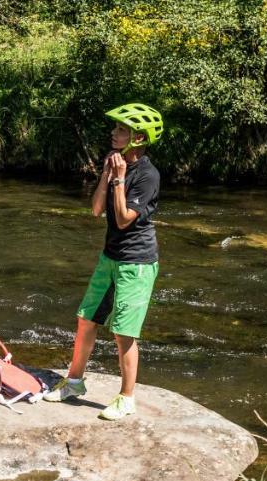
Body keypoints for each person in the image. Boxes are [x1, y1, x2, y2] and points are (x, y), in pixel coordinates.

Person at [43, 104, 163, 421]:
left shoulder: (148, 175)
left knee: (124, 333)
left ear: (138, 137)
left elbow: (124, 220)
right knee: (86, 319)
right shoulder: (115, 166)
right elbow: (97, 210)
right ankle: (74, 382)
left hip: (136, 263)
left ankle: (127, 398)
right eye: (116, 128)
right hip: (110, 258)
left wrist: (121, 180)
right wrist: (107, 175)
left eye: (121, 129)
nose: (114, 132)